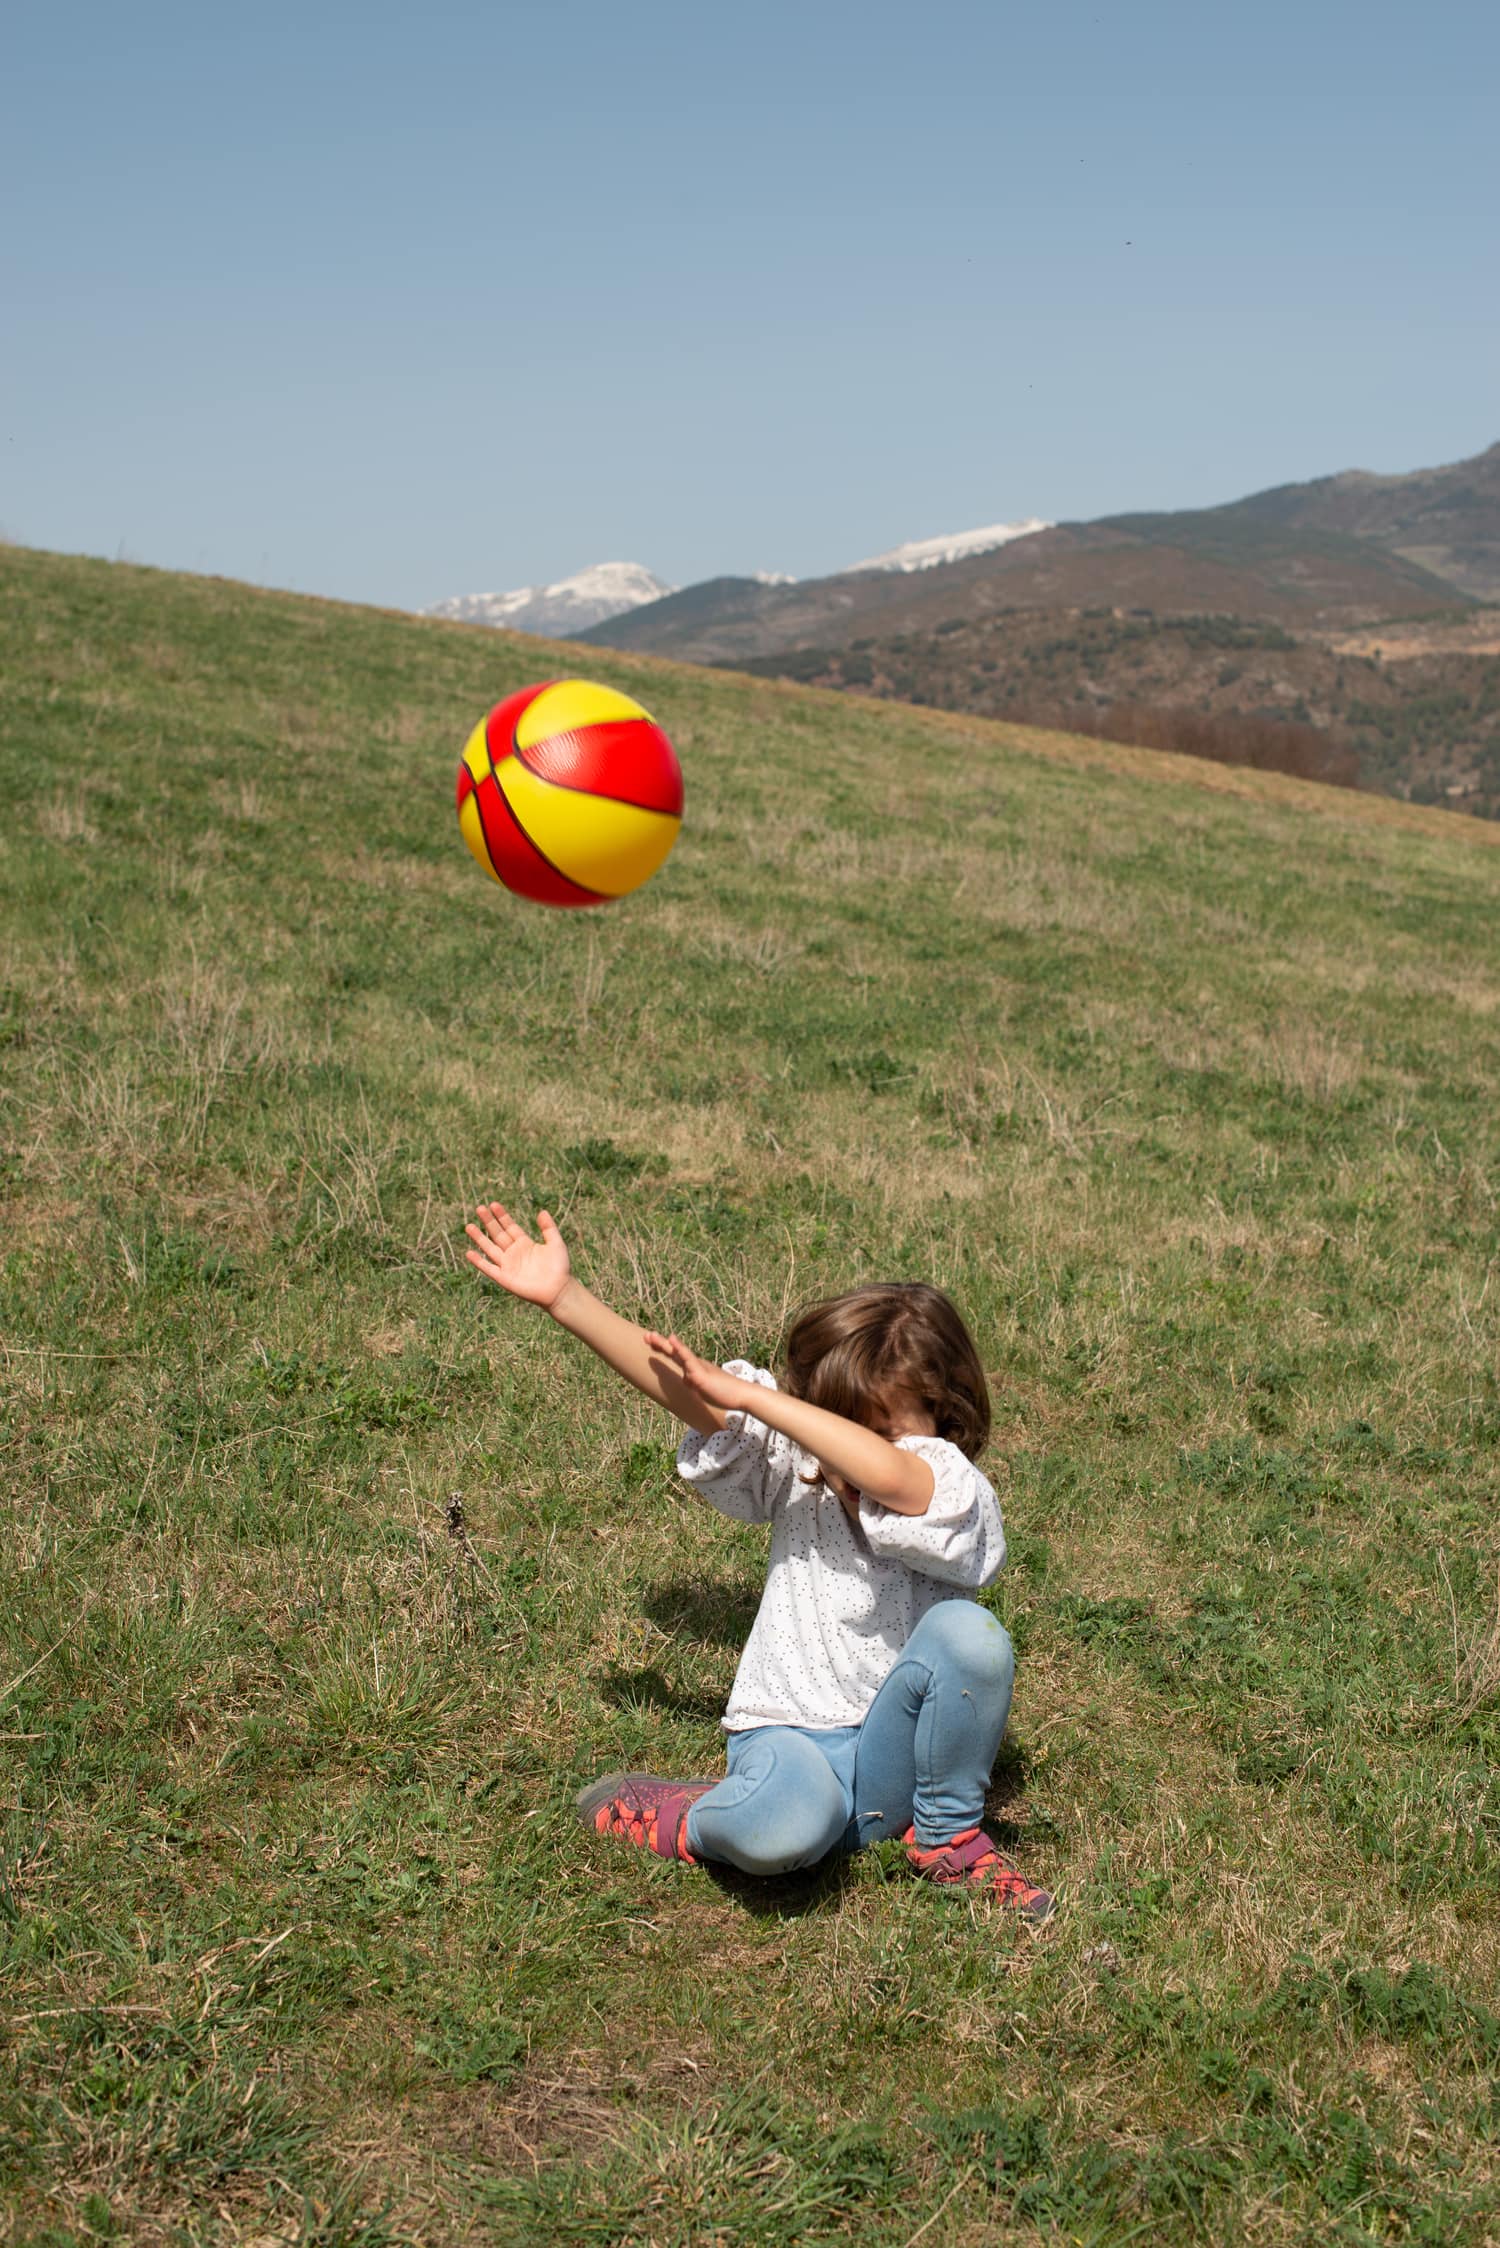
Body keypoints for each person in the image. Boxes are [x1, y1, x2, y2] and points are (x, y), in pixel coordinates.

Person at [465, 1199, 1053, 1919]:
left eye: (874, 1427)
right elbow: (688, 1394)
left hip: (898, 1760)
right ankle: (690, 1815)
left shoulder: (952, 1489)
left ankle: (946, 1837)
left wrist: (760, 1399)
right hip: (794, 1737)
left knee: (974, 1637)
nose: (841, 1447)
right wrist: (566, 1298)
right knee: (782, 1837)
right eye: (831, 1419)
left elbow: (896, 1479)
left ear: (942, 1414)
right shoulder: (796, 1459)